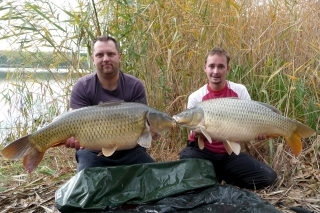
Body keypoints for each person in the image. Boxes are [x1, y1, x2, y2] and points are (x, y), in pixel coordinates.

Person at [179, 47, 277, 190]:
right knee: (185, 160)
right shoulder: (196, 97)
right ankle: (218, 176)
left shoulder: (239, 90)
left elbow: (251, 121)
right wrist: (201, 133)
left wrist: (259, 132)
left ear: (228, 69)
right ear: (205, 68)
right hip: (203, 152)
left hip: (229, 155)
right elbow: (195, 136)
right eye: (211, 66)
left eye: (221, 66)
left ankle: (218, 176)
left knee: (268, 177)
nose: (215, 71)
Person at [65, 35, 154, 172]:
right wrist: (71, 138)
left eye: (111, 54)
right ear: (93, 59)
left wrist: (152, 132)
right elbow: (74, 121)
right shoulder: (82, 87)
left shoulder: (135, 86)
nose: (105, 59)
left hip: (130, 152)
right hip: (93, 152)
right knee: (88, 178)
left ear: (119, 56)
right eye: (100, 55)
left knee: (151, 175)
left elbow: (144, 133)